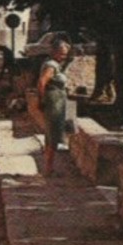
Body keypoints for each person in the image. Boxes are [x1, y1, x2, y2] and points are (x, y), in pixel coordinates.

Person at [37, 39, 72, 175]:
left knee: (52, 135)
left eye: (65, 54)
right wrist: (41, 100)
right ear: (54, 52)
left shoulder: (54, 64)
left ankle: (49, 167)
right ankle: (48, 168)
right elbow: (41, 83)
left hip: (57, 101)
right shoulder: (51, 65)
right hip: (53, 102)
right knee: (53, 135)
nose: (63, 56)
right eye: (61, 53)